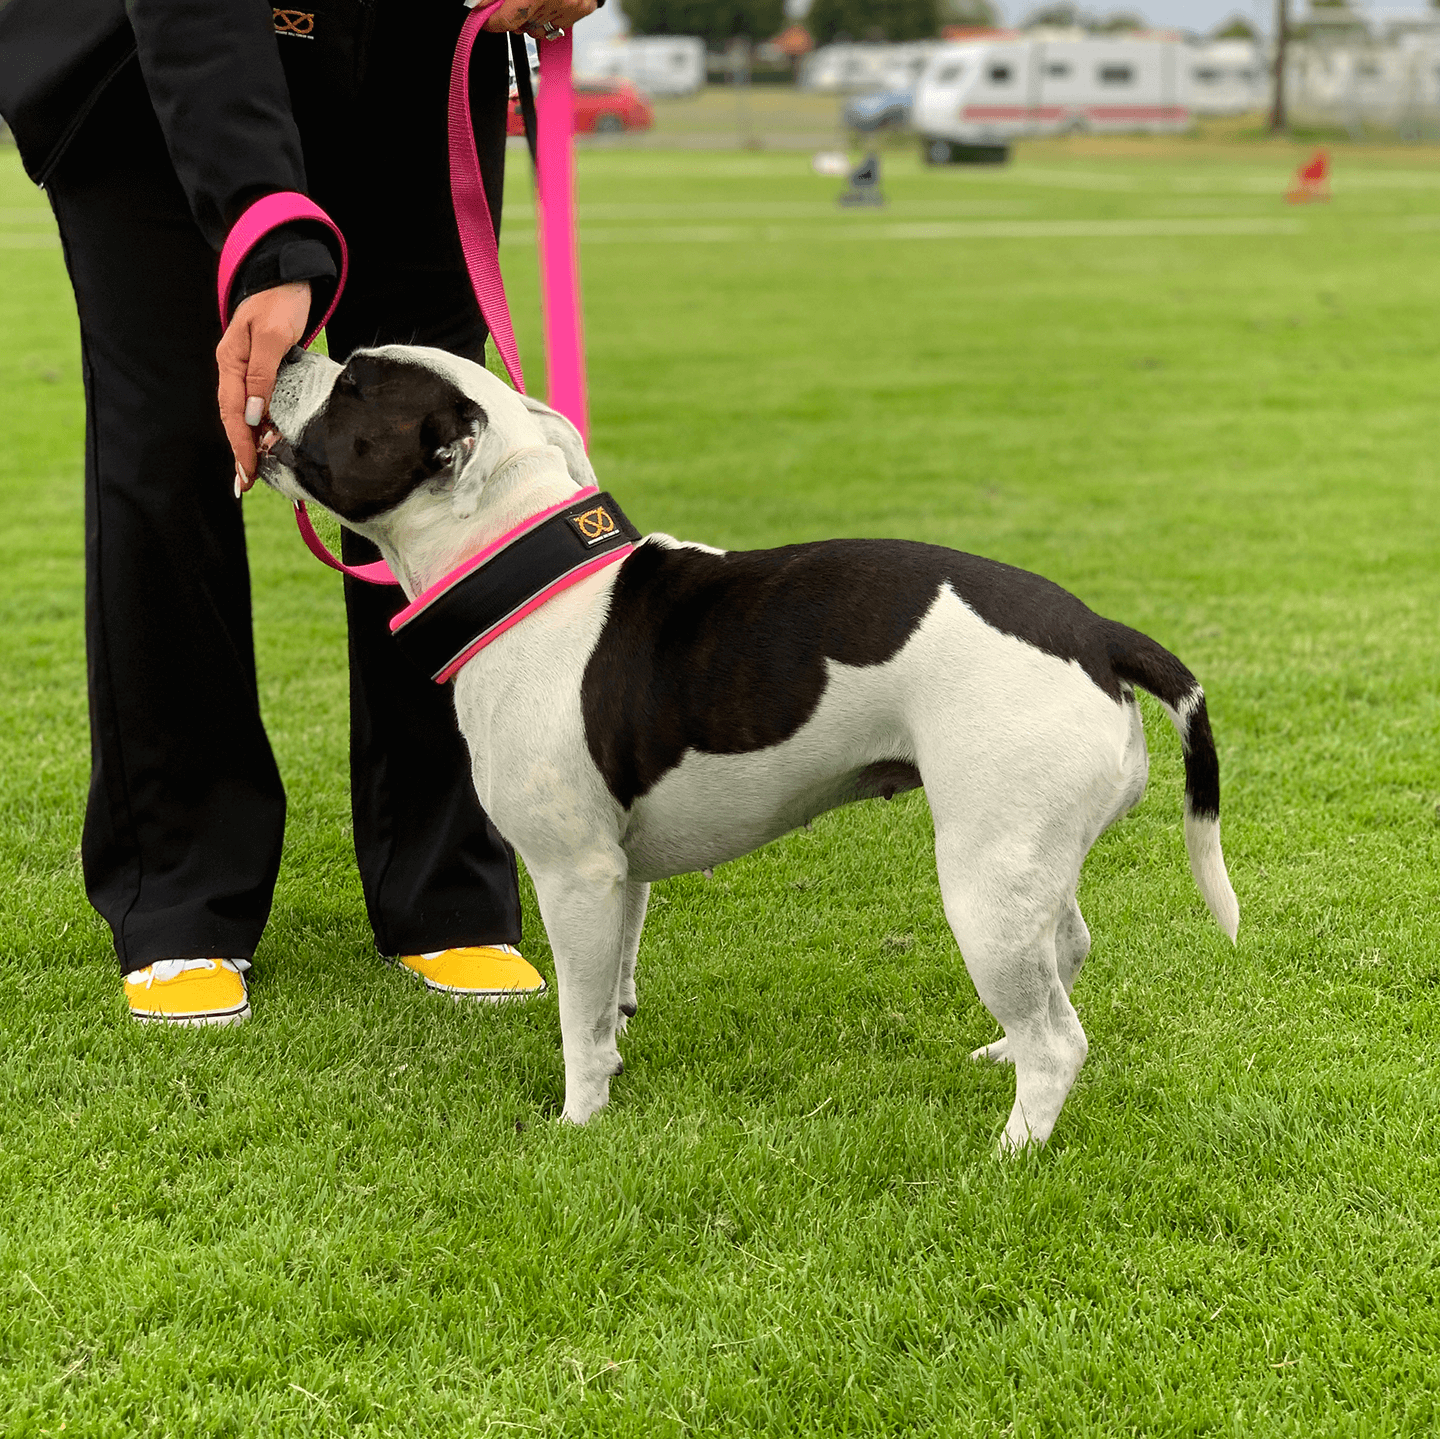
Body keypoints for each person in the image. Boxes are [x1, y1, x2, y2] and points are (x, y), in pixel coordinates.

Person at [0, 0, 595, 1024]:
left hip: (413, 59)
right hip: (156, 69)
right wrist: (265, 233)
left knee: (433, 439)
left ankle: (448, 880)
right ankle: (180, 886)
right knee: (178, 447)